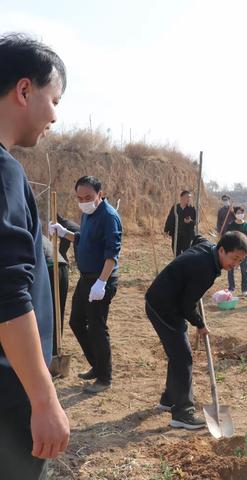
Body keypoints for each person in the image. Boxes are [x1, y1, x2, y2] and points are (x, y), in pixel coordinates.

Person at [0, 33, 69, 479]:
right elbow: (7, 294)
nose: (55, 117)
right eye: (54, 99)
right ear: (25, 90)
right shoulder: (4, 173)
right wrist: (43, 399)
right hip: (9, 390)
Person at [145, 232, 247, 429]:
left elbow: (198, 238)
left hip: (166, 299)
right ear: (221, 250)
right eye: (234, 258)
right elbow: (187, 306)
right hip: (163, 306)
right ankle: (183, 413)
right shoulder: (205, 270)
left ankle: (169, 398)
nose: (235, 264)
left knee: (177, 353)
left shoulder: (208, 249)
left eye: (240, 260)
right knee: (183, 357)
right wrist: (200, 324)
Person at [49, 176, 123, 394]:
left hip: (101, 279)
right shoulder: (87, 214)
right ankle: (97, 365)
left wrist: (101, 283)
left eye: (88, 197)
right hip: (86, 278)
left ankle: (104, 377)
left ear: (100, 193)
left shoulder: (109, 217)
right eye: (79, 198)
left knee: (98, 327)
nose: (84, 201)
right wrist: (64, 233)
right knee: (76, 322)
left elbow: (112, 254)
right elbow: (85, 239)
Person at [42, 235, 69, 358]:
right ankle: (52, 351)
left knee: (49, 314)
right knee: (55, 313)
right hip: (61, 266)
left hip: (51, 268)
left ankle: (51, 354)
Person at [226, 206, 247, 296]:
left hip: (244, 252)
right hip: (233, 251)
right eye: (238, 213)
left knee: (244, 271)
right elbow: (227, 238)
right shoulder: (231, 225)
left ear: (243, 214)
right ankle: (231, 288)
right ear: (235, 214)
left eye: (241, 212)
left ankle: (245, 289)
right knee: (230, 269)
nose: (240, 214)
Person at [164, 190, 196, 257]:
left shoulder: (192, 209)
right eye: (187, 197)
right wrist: (166, 230)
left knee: (186, 253)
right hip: (176, 234)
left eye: (190, 197)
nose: (189, 199)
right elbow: (170, 218)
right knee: (176, 252)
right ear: (181, 197)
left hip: (187, 236)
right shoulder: (175, 207)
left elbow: (196, 221)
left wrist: (190, 221)